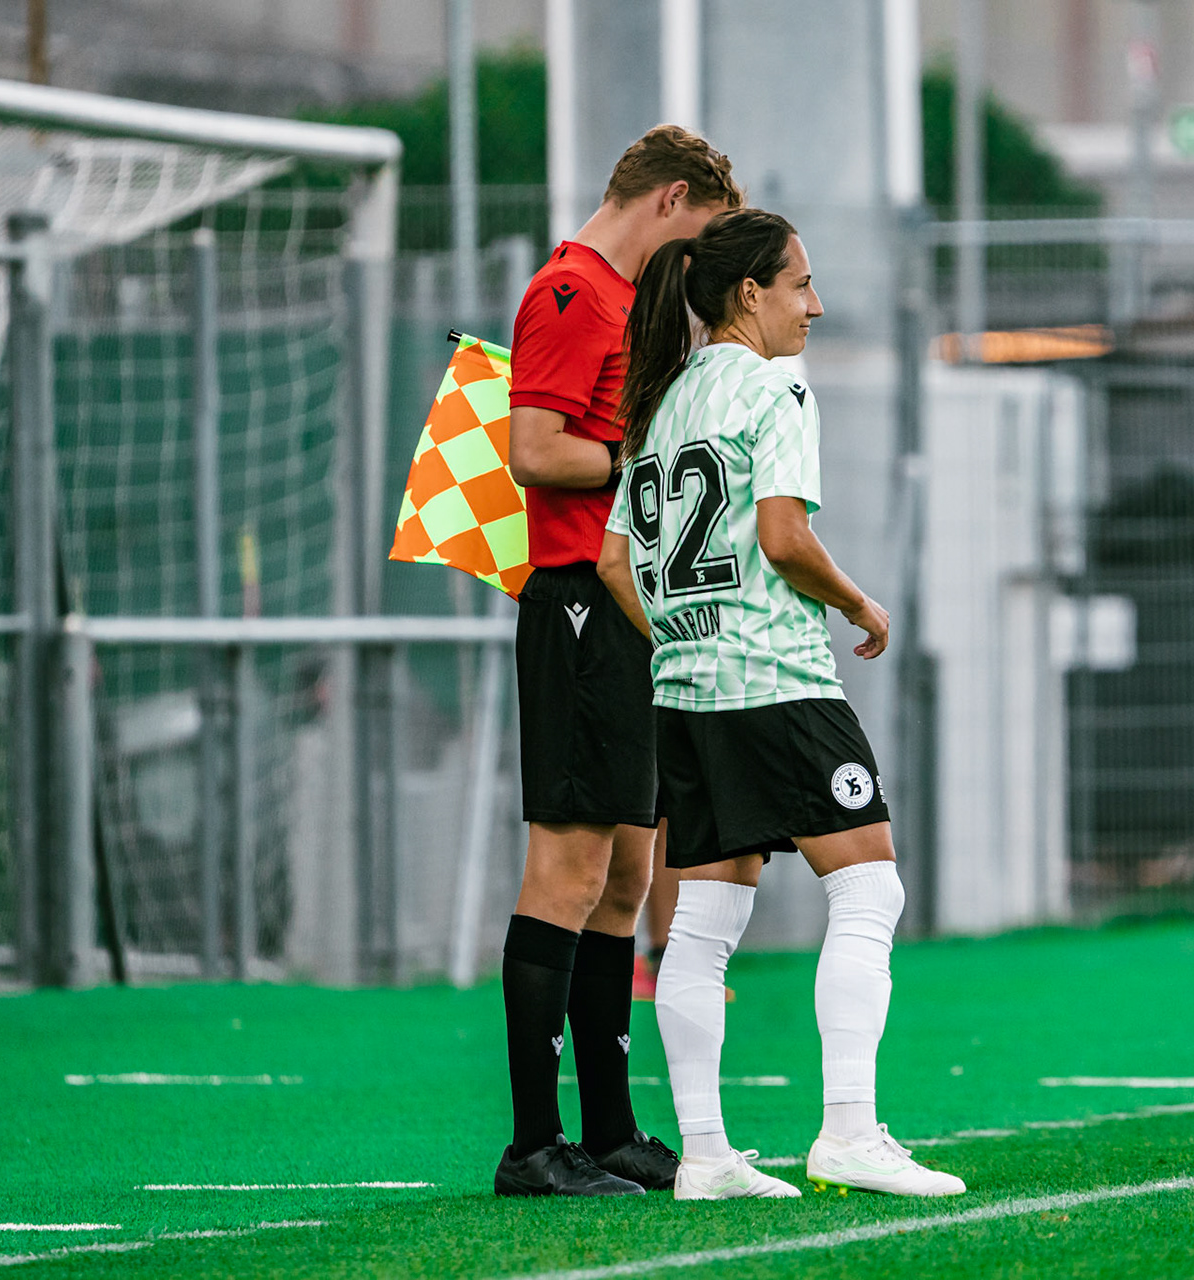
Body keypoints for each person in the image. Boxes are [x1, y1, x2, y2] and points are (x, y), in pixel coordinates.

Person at [595, 209, 966, 1201]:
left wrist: (683, 638)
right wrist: (858, 600)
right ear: (748, 293)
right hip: (778, 680)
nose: (816, 303)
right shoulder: (775, 385)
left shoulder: (660, 399)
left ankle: (706, 1154)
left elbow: (613, 562)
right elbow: (785, 536)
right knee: (870, 888)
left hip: (688, 690)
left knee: (703, 923)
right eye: (800, 283)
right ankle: (848, 1127)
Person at [492, 125, 743, 1198]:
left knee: (631, 872)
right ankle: (532, 1142)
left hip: (625, 611)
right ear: (670, 199)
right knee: (571, 865)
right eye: (704, 236)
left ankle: (606, 1129)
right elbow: (532, 447)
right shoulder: (569, 293)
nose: (705, 264)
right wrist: (646, 458)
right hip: (579, 610)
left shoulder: (620, 302)